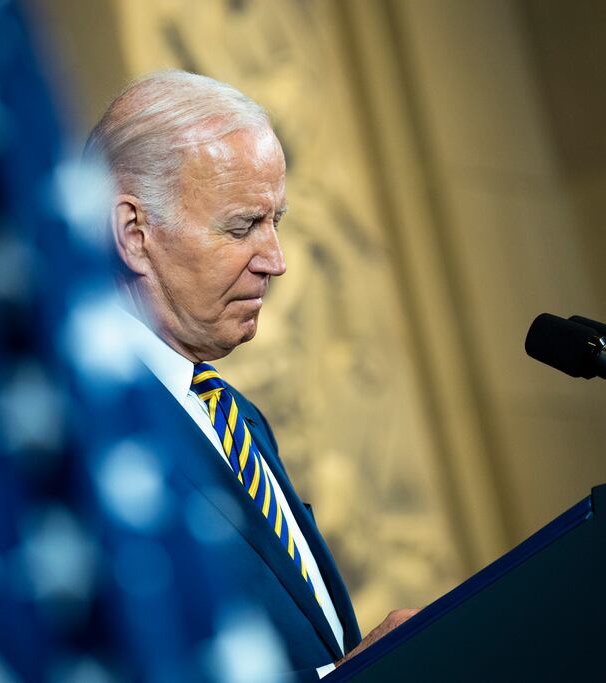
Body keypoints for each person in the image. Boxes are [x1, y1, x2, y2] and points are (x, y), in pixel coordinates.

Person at [85, 70, 416, 680]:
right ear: (133, 234)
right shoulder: (96, 428)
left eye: (275, 221)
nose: (276, 261)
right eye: (242, 227)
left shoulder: (238, 418)